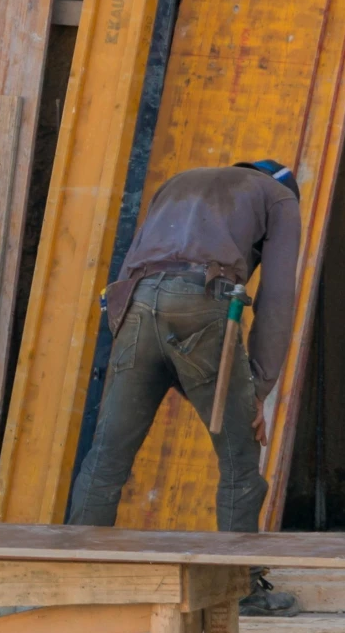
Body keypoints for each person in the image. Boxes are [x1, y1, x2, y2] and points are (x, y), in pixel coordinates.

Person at [68, 160, 299, 538]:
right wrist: (257, 388)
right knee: (240, 462)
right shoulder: (281, 199)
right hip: (203, 300)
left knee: (107, 457)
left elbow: (127, 271)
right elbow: (277, 298)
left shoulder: (177, 182)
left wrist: (125, 337)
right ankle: (242, 590)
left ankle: (73, 576)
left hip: (136, 302)